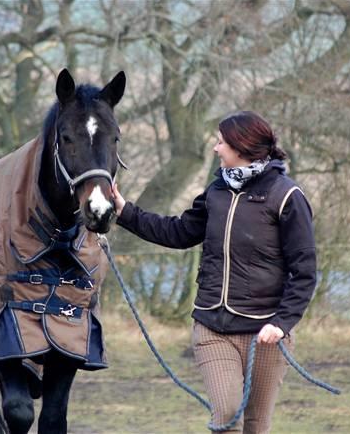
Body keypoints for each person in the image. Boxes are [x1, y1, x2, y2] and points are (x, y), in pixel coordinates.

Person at [112, 111, 316, 433]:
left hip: (264, 335)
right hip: (212, 328)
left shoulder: (287, 196)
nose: (216, 149)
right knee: (227, 416)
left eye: (220, 142)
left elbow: (304, 271)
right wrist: (125, 211)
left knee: (255, 426)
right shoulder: (216, 192)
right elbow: (177, 232)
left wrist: (282, 322)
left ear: (241, 147)